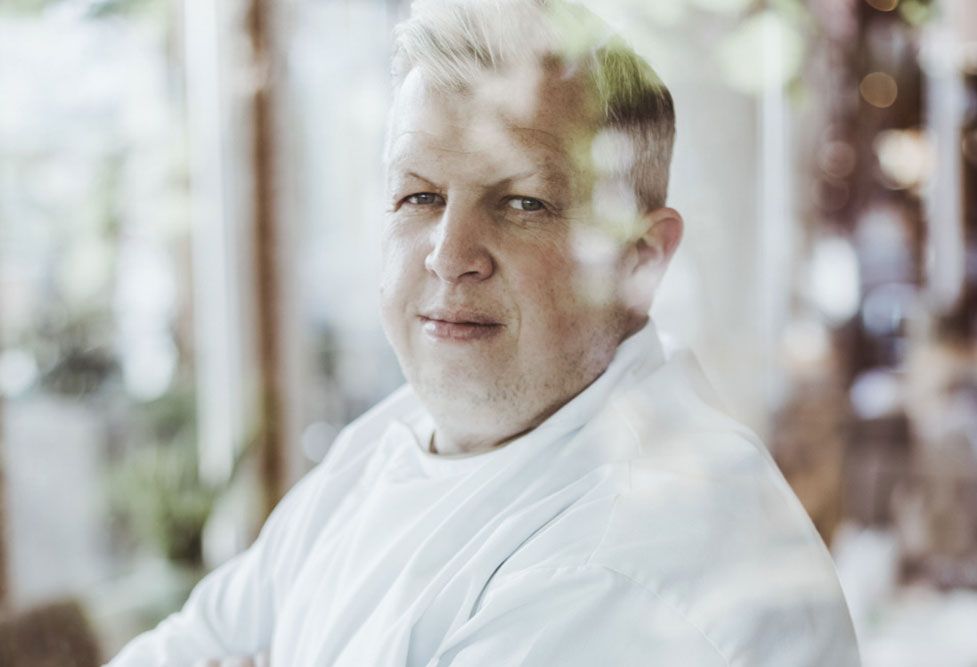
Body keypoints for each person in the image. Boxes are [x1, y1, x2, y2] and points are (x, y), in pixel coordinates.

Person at [109, 0, 860, 665]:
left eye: (524, 202)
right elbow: (186, 644)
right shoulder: (386, 441)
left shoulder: (629, 554)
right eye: (419, 195)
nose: (449, 254)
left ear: (640, 259)